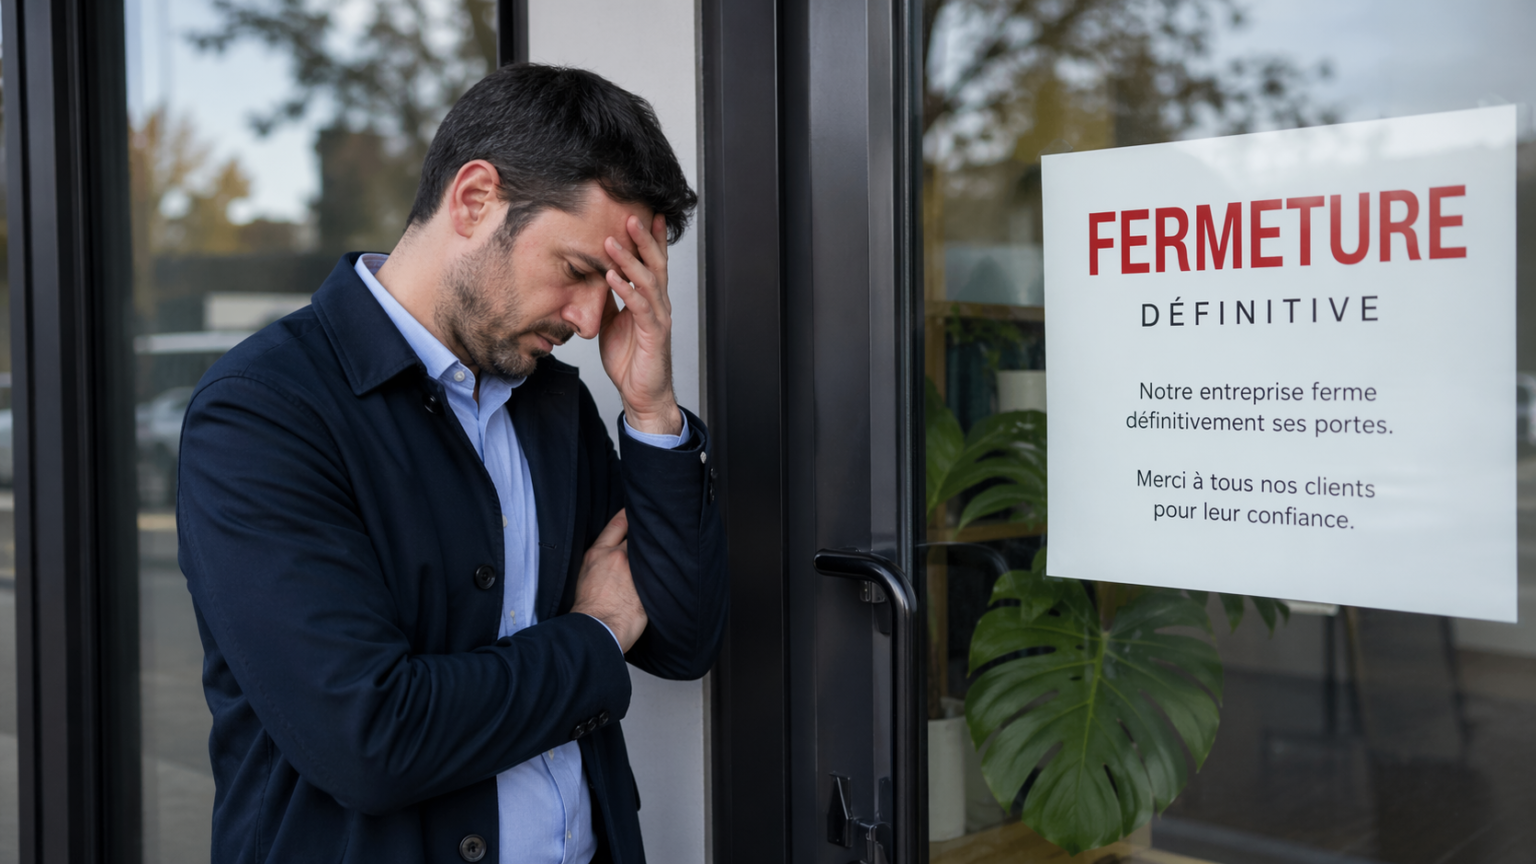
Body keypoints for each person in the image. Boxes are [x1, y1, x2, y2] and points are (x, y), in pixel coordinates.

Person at [177, 63, 727, 864]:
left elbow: (682, 638)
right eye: (577, 272)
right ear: (475, 200)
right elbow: (373, 738)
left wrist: (650, 412)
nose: (585, 318)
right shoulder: (264, 412)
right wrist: (596, 632)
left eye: (608, 291)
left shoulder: (554, 404)